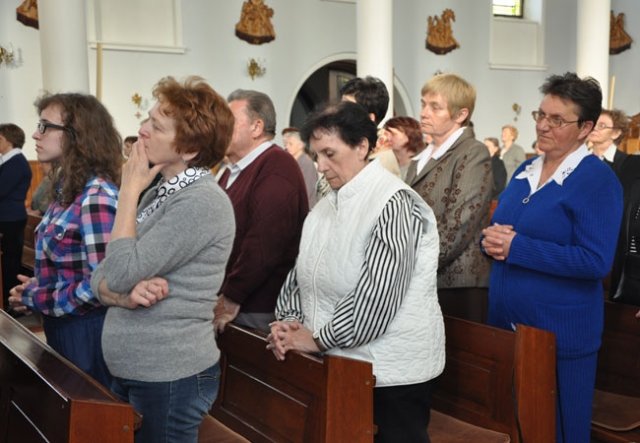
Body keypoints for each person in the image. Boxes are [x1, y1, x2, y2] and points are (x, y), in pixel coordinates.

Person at [268, 101, 444, 443]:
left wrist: (316, 339)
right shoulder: (327, 203)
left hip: (391, 371)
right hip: (343, 361)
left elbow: (376, 298)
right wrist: (288, 323)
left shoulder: (393, 202)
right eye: (316, 155)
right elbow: (302, 272)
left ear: (362, 146)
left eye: (330, 154)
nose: (320, 166)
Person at [90, 76, 236, 442]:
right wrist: (122, 296)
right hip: (140, 368)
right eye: (147, 119)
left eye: (156, 126)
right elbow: (100, 276)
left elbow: (118, 272)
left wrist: (127, 191)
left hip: (169, 372)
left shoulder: (201, 202)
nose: (142, 130)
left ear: (189, 149)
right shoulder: (161, 192)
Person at [482, 72, 623, 443]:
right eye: (541, 115)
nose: (543, 125)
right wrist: (490, 241)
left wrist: (517, 248)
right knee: (515, 430)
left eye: (557, 120)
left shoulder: (597, 180)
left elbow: (595, 261)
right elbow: (504, 232)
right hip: (509, 328)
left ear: (585, 128)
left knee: (560, 433)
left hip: (560, 336)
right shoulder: (524, 170)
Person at [8, 93, 121, 387]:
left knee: (86, 407)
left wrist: (38, 297)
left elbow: (103, 286)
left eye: (45, 126)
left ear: (77, 135)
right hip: (65, 324)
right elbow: (72, 265)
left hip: (87, 331)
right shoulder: (68, 189)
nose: (36, 134)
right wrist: (38, 285)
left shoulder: (96, 197)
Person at [215, 89, 308, 333]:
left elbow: (264, 242)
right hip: (230, 298)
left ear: (256, 127)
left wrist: (233, 294)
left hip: (255, 306)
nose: (220, 128)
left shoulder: (277, 165)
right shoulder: (230, 170)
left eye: (229, 122)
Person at [406, 73, 493, 322]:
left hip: (457, 284)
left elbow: (459, 223)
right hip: (422, 278)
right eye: (423, 104)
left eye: (435, 107)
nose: (424, 113)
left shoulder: (473, 152)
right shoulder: (421, 158)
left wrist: (411, 266)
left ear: (460, 114)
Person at [0, 123, 32, 313]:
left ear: (9, 141)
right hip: (7, 218)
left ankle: (9, 303)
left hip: (10, 219)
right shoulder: (8, 161)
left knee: (9, 262)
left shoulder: (16, 162)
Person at [282, 127, 318, 208]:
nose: (287, 147)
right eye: (286, 144)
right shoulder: (291, 161)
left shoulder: (306, 163)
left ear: (300, 145)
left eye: (290, 144)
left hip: (304, 208)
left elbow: (307, 191)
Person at [587, 108, 629, 176]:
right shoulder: (579, 158)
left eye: (602, 126)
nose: (594, 128)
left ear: (615, 133)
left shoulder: (627, 164)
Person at [383, 116, 425, 181]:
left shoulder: (422, 165)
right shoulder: (384, 162)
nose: (387, 138)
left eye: (393, 134)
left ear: (409, 135)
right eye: (386, 134)